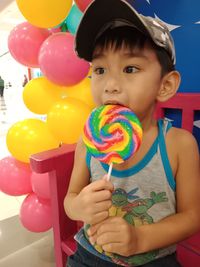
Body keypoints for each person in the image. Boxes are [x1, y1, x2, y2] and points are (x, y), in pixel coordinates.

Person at [64, 0, 200, 266]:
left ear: (165, 85)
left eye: (130, 69)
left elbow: (193, 215)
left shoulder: (178, 145)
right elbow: (70, 198)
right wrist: (78, 207)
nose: (110, 85)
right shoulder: (88, 141)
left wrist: (139, 239)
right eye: (100, 70)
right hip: (90, 255)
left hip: (154, 257)